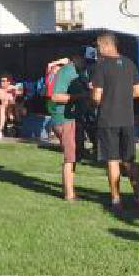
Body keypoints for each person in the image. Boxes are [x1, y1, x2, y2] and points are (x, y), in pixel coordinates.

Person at [90, 32, 139, 212]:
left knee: (112, 160)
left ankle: (116, 200)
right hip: (127, 119)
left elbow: (97, 97)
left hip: (108, 119)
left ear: (106, 45)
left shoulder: (101, 66)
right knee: (129, 160)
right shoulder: (130, 64)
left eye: (98, 47)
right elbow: (138, 92)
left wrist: (95, 97)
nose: (98, 50)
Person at [46, 56, 88, 200]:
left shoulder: (80, 72)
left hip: (71, 119)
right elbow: (56, 97)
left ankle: (71, 190)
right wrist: (79, 96)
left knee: (74, 156)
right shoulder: (66, 71)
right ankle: (69, 194)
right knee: (70, 157)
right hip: (64, 119)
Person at [0, 74, 23, 139]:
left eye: (4, 81)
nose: (2, 82)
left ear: (8, 82)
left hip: (12, 108)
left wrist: (14, 88)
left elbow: (21, 92)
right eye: (1, 81)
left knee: (2, 108)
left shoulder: (13, 88)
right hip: (3, 107)